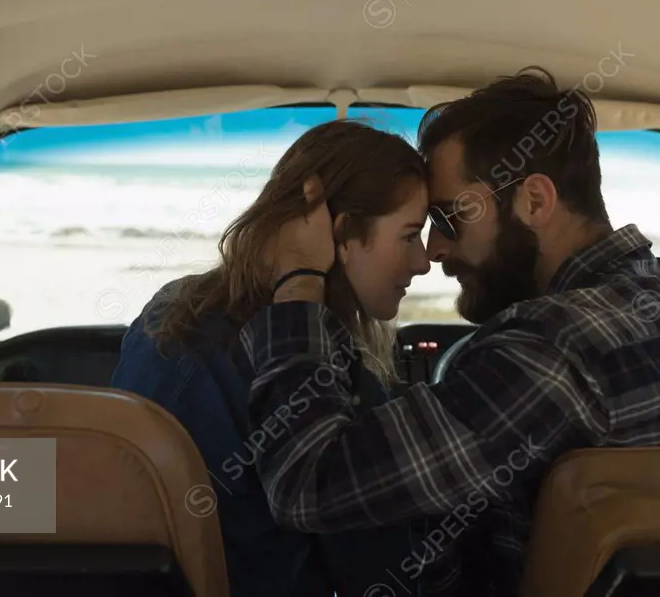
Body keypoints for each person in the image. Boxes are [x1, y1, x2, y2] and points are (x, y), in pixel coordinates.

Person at [239, 67, 660, 597]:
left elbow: (307, 484)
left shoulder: (548, 353)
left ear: (534, 201)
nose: (435, 250)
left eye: (451, 219)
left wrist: (299, 286)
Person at [111, 119, 433, 597]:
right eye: (410, 235)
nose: (423, 261)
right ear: (340, 235)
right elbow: (380, 572)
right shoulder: (326, 373)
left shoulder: (167, 312)